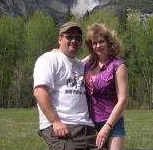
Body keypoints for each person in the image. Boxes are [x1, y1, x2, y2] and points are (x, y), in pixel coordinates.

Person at [33, 22, 106, 150]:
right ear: (60, 39)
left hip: (88, 129)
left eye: (78, 38)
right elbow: (40, 92)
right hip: (63, 127)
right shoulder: (49, 59)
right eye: (69, 37)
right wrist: (55, 122)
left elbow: (94, 58)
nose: (74, 40)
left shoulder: (81, 65)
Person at [84, 23, 128, 150]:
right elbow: (70, 64)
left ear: (109, 42)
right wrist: (57, 53)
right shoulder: (88, 64)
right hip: (90, 123)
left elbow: (123, 100)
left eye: (101, 41)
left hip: (113, 122)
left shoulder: (118, 66)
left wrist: (107, 127)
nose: (98, 46)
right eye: (94, 43)